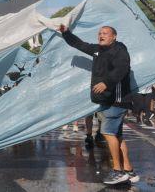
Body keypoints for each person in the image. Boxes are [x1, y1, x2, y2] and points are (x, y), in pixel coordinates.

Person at [59, 24, 139, 185]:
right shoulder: (97, 50)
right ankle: (129, 171)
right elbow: (79, 44)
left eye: (105, 33)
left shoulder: (119, 50)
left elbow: (122, 69)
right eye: (100, 33)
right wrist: (66, 32)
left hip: (116, 100)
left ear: (114, 36)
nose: (101, 35)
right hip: (108, 101)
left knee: (108, 133)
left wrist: (106, 83)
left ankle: (118, 172)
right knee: (117, 136)